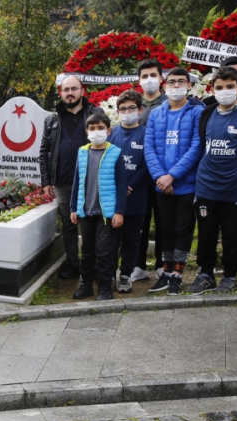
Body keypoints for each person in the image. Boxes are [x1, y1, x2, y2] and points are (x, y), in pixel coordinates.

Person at [187, 67, 237, 294]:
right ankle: (206, 274)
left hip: (236, 187)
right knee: (206, 234)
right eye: (219, 87)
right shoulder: (207, 113)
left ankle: (230, 277)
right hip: (206, 186)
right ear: (212, 89)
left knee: (233, 235)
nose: (224, 91)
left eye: (230, 87)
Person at [144, 68, 204, 295]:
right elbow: (149, 148)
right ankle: (166, 272)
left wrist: (173, 176)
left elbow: (197, 147)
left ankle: (178, 274)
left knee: (182, 229)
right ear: (164, 84)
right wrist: (160, 176)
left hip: (186, 184)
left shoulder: (197, 113)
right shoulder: (156, 114)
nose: (176, 85)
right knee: (164, 229)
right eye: (171, 82)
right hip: (161, 185)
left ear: (189, 85)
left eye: (181, 82)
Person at [39, 75, 104, 280]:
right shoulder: (52, 119)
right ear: (61, 93)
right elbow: (44, 151)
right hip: (63, 181)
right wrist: (46, 181)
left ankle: (90, 266)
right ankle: (73, 264)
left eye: (73, 89)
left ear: (81, 91)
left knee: (90, 224)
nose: (70, 93)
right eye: (66, 90)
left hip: (90, 180)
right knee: (68, 224)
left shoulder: (95, 114)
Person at [69, 112, 127, 301]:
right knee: (87, 251)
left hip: (106, 213)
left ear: (108, 131)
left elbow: (121, 185)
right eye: (92, 128)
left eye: (100, 128)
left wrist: (119, 211)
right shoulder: (82, 152)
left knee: (104, 251)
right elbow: (77, 182)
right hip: (86, 211)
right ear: (87, 131)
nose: (96, 132)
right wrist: (73, 208)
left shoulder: (115, 153)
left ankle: (105, 287)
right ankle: (86, 285)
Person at [108, 91, 149, 294]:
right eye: (123, 109)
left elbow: (147, 164)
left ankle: (126, 276)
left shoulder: (146, 134)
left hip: (136, 195)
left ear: (140, 110)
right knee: (111, 238)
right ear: (117, 112)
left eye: (131, 108)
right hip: (114, 198)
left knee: (132, 239)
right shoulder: (112, 133)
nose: (127, 112)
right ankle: (109, 274)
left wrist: (131, 185)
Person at [133, 59, 168, 283]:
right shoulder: (135, 106)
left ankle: (162, 265)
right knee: (140, 222)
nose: (149, 80)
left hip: (162, 172)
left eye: (152, 75)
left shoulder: (169, 103)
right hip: (139, 175)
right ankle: (138, 265)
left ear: (161, 78)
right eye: (144, 76)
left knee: (164, 221)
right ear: (139, 80)